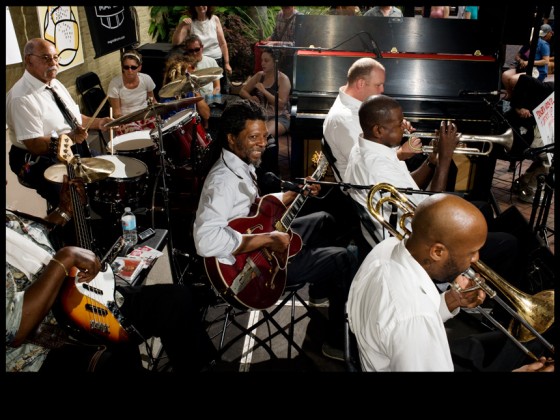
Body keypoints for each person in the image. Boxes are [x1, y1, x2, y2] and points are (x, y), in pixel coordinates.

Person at [193, 99, 355, 362]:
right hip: (251, 270)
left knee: (324, 218)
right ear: (231, 138)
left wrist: (293, 194)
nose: (262, 143)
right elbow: (205, 240)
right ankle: (336, 341)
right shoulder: (222, 182)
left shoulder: (239, 163)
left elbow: (255, 210)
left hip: (260, 239)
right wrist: (268, 238)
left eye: (265, 136)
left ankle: (320, 291)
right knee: (344, 258)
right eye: (253, 137)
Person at [6, 176, 218, 373]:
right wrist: (65, 258)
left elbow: (34, 241)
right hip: (42, 346)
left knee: (175, 300)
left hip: (76, 298)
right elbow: (15, 330)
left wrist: (64, 210)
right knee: (119, 360)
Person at [347, 192, 554, 372]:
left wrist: (450, 301)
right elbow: (408, 321)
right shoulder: (416, 319)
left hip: (395, 355)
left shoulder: (386, 248)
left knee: (528, 342)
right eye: (471, 252)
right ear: (437, 251)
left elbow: (391, 325)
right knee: (534, 347)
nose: (476, 260)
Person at [345, 95, 521, 289]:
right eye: (398, 124)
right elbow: (433, 215)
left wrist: (433, 159)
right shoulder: (377, 167)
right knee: (509, 244)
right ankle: (484, 301)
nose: (404, 127)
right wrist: (445, 158)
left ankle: (474, 278)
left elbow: (407, 186)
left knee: (483, 209)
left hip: (406, 221)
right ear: (379, 130)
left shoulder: (365, 148)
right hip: (416, 243)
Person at [6, 38, 112, 209]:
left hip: (70, 149)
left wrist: (100, 123)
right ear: (28, 60)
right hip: (36, 158)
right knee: (72, 197)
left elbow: (74, 119)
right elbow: (34, 144)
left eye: (56, 57)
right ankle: (67, 230)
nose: (54, 63)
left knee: (110, 174)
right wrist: (70, 137)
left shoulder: (54, 83)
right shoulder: (22, 97)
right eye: (46, 58)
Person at [323, 57, 422, 183]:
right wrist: (402, 153)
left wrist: (394, 126)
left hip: (383, 164)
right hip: (368, 188)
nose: (382, 90)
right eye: (378, 85)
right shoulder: (344, 120)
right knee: (439, 165)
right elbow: (366, 167)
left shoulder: (356, 104)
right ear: (361, 83)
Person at [239, 48, 291, 175]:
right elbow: (242, 91)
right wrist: (251, 98)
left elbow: (281, 104)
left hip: (279, 117)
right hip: (261, 117)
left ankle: (267, 170)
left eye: (266, 61)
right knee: (247, 134)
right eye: (262, 60)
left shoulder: (283, 79)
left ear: (275, 62)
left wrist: (264, 91)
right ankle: (252, 168)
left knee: (263, 135)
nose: (263, 63)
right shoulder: (259, 76)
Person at [172, 6, 231, 94]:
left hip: (216, 61)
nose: (201, 7)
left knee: (220, 90)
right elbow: (176, 43)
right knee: (203, 91)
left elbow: (222, 43)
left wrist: (226, 63)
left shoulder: (215, 19)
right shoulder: (190, 23)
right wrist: (180, 26)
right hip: (200, 62)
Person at [107, 50, 157, 136]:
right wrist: (128, 121)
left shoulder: (146, 79)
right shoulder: (115, 84)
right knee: (136, 131)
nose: (130, 70)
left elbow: (152, 101)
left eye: (133, 67)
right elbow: (116, 113)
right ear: (122, 67)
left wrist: (157, 113)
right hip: (126, 119)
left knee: (158, 127)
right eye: (126, 67)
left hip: (144, 114)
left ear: (139, 67)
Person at [161, 52, 211, 127]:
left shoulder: (191, 90)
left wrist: (196, 92)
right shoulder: (167, 99)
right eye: (192, 68)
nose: (195, 71)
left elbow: (206, 115)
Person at [264, 6, 302, 84]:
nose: (285, 9)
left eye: (287, 7)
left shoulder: (299, 18)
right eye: (283, 7)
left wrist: (276, 43)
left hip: (292, 57)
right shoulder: (279, 15)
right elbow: (276, 33)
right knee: (278, 81)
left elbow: (298, 43)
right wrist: (269, 39)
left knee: (289, 82)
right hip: (279, 55)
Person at [180, 34, 221, 98]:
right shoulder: (184, 65)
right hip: (192, 100)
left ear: (202, 47)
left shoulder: (211, 61)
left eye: (197, 49)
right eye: (191, 51)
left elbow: (217, 86)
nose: (194, 53)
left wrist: (212, 97)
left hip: (211, 99)